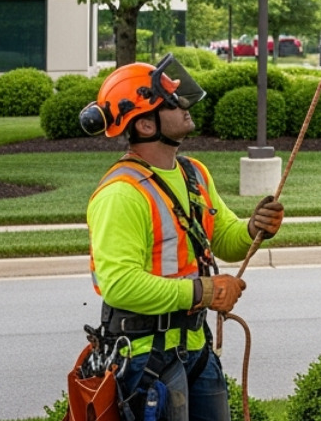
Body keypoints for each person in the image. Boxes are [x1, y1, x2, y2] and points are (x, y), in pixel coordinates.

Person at [79, 55, 285, 421]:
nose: (185, 104)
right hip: (145, 359)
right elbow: (119, 285)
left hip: (194, 347)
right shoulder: (121, 194)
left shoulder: (193, 173)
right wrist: (203, 291)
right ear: (144, 124)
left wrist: (253, 229)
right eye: (171, 101)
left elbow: (222, 238)